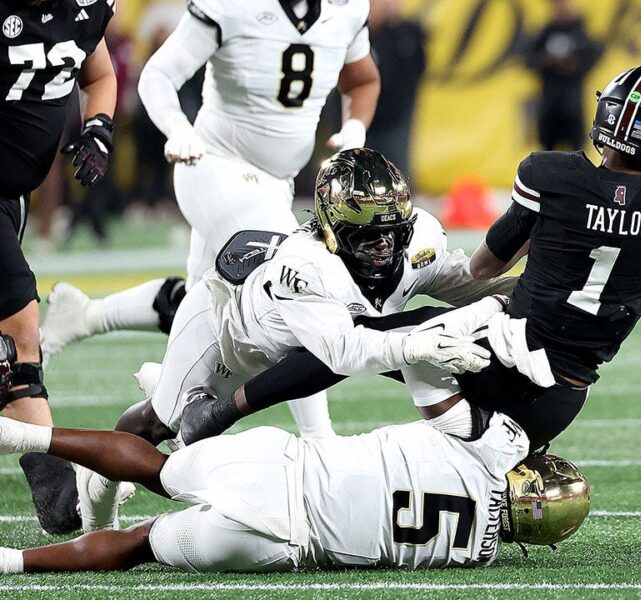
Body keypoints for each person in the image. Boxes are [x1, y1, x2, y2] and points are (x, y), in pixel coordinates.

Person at [192, 65, 641, 451]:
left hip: (499, 357)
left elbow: (485, 269)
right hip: (563, 396)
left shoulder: (552, 176)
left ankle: (224, 410)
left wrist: (530, 261)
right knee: (402, 348)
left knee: (370, 334)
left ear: (606, 121)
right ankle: (506, 466)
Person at [76, 148, 515, 532]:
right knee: (160, 425)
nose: (383, 246)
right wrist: (414, 345)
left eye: (391, 231)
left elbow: (458, 282)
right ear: (331, 229)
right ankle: (96, 489)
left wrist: (527, 291)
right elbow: (342, 353)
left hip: (307, 348)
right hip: (225, 337)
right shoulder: (307, 265)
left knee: (429, 336)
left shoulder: (418, 238)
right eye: (365, 235)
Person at [41, 0, 383, 442]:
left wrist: (355, 128)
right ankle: (319, 439)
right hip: (215, 164)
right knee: (293, 285)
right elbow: (158, 74)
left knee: (207, 305)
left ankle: (89, 318)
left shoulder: (346, 9)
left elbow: (363, 80)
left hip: (275, 182)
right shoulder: (234, 5)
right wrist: (177, 127)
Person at [0, 410, 590, 573]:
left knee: (157, 468)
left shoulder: (495, 448)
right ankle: (12, 563)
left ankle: (24, 434)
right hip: (277, 540)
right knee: (139, 544)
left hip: (286, 466)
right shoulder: (478, 554)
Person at [1, 0, 119, 534]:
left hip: (11, 194)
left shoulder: (82, 9)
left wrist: (99, 127)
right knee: (19, 336)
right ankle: (57, 492)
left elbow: (99, 75)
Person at [526, 0, 602, 151]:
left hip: (572, 104)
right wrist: (548, 62)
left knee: (576, 153)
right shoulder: (546, 31)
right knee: (547, 152)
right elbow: (530, 60)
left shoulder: (580, 31)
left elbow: (594, 55)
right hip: (549, 105)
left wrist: (574, 66)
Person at [365, 0, 426, 178]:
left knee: (395, 174)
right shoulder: (355, 36)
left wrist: (398, 23)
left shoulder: (403, 35)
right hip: (362, 119)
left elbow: (417, 66)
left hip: (394, 121)